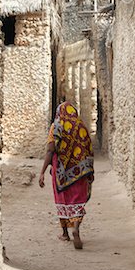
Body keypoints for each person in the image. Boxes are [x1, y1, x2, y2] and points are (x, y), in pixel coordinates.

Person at [39, 101, 94, 249]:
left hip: (61, 171)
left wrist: (42, 171)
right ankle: (76, 228)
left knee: (62, 199)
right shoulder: (81, 126)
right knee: (78, 199)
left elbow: (50, 150)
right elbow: (88, 148)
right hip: (80, 170)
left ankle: (65, 233)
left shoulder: (56, 126)